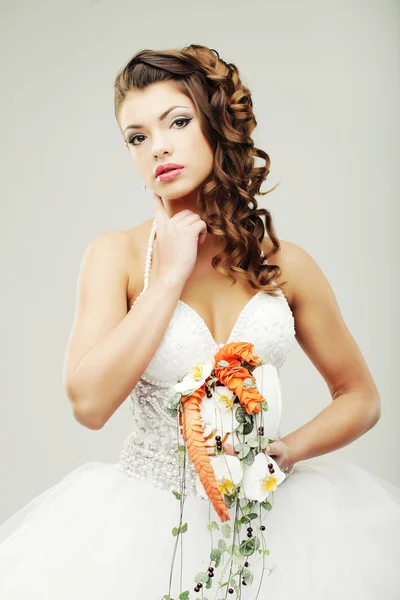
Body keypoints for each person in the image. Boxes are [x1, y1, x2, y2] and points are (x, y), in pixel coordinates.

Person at [0, 44, 399, 600]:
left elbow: (360, 396)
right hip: (144, 524)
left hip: (274, 519)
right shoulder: (114, 256)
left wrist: (285, 452)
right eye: (136, 137)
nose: (156, 146)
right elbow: (88, 405)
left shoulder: (285, 263)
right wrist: (166, 279)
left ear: (216, 127)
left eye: (178, 122)